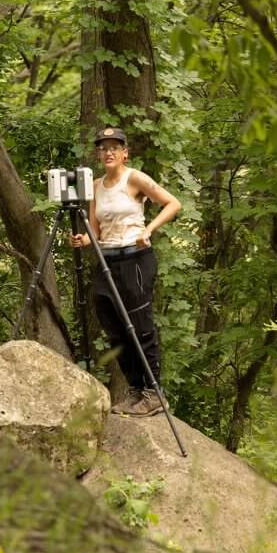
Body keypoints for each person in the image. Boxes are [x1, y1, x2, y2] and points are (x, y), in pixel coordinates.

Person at [69, 127, 181, 417]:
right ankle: (135, 390)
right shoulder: (95, 186)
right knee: (115, 330)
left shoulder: (135, 178)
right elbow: (95, 230)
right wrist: (83, 240)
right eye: (103, 148)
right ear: (98, 154)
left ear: (124, 152)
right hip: (107, 263)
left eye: (114, 147)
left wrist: (149, 229)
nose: (108, 152)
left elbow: (173, 203)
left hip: (135, 259)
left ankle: (154, 393)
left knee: (140, 327)